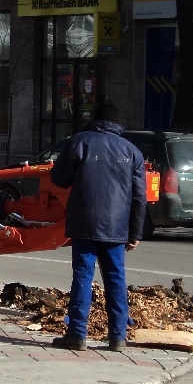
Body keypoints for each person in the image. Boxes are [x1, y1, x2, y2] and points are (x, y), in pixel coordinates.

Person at [49, 100, 146, 351]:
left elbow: (59, 178)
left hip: (83, 222)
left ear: (95, 119)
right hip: (116, 227)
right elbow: (139, 197)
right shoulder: (132, 151)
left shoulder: (80, 141)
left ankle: (77, 334)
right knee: (116, 279)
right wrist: (135, 233)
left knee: (82, 276)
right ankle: (118, 337)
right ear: (117, 124)